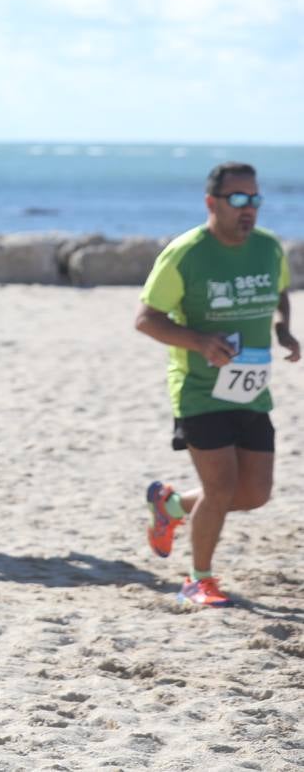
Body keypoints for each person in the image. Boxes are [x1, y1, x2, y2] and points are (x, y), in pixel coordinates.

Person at [135, 161, 298, 608]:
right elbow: (146, 319)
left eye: (255, 199)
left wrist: (283, 329)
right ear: (212, 202)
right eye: (239, 199)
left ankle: (170, 507)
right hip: (199, 388)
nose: (250, 209)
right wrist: (200, 341)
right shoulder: (186, 252)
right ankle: (197, 579)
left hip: (252, 388)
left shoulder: (267, 248)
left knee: (254, 493)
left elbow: (279, 290)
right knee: (221, 486)